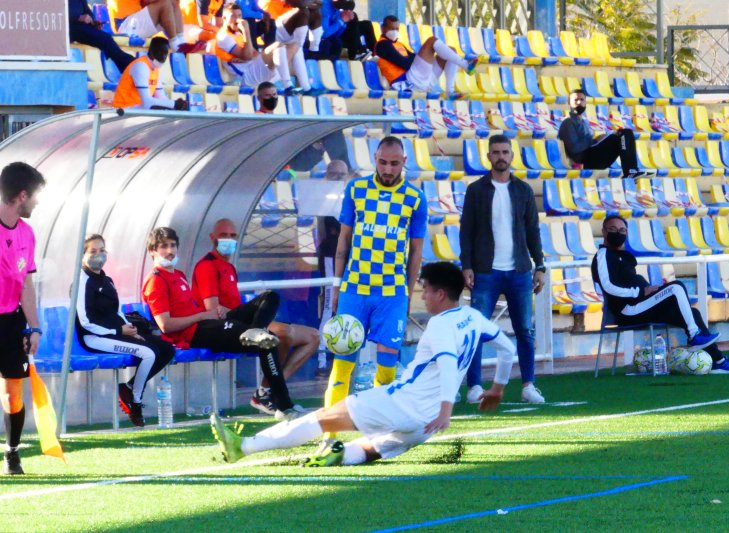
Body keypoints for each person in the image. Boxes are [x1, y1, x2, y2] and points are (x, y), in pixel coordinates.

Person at [211, 261, 514, 466]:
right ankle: (337, 458)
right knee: (373, 448)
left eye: (425, 290)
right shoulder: (473, 318)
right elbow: (506, 349)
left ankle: (244, 447)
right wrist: (497, 388)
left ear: (441, 294)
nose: (423, 296)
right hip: (425, 426)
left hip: (407, 405)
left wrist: (447, 411)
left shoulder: (439, 326)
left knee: (323, 418)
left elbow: (448, 365)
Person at [321, 136, 427, 442]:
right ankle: (330, 433)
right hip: (354, 289)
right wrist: (338, 285)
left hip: (391, 293)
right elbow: (343, 240)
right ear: (375, 159)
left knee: (387, 368)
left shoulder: (415, 199)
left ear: (404, 162)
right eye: (383, 162)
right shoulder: (356, 190)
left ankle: (377, 433)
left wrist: (407, 292)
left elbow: (415, 252)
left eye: (394, 163)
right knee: (343, 365)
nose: (388, 168)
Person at [142, 226, 305, 420]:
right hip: (194, 333)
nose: (169, 251)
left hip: (208, 324)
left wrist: (209, 314)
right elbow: (165, 325)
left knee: (270, 297)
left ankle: (255, 331)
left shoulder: (178, 275)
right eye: (163, 247)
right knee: (268, 340)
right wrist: (201, 316)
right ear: (152, 251)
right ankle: (284, 406)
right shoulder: (156, 280)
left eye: (172, 246)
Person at [591, 215, 729, 374]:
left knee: (693, 313)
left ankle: (718, 361)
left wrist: (647, 290)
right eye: (613, 229)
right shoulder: (603, 255)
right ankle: (694, 335)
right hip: (629, 310)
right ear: (603, 232)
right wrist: (640, 291)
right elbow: (608, 286)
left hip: (641, 305)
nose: (618, 233)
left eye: (622, 230)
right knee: (676, 287)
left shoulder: (621, 256)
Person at [191, 219, 319, 413]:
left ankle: (266, 390)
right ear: (213, 237)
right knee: (283, 333)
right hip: (227, 326)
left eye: (233, 236)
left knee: (313, 336)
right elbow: (213, 310)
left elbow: (231, 306)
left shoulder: (229, 267)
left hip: (245, 321)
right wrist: (229, 311)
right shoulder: (207, 266)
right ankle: (271, 389)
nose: (229, 240)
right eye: (224, 235)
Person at [459, 134, 546, 405]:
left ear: (511, 155)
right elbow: (466, 232)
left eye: (505, 152)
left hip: (519, 270)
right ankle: (474, 385)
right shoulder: (476, 190)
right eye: (495, 152)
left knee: (525, 330)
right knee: (476, 331)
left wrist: (539, 265)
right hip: (485, 271)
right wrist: (467, 265)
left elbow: (533, 231)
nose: (500, 156)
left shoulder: (523, 190)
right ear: (488, 156)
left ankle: (529, 385)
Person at [76, 234, 175, 427]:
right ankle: (135, 401)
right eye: (93, 251)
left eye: (102, 250)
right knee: (148, 353)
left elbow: (118, 311)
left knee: (166, 349)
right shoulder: (81, 281)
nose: (99, 255)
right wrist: (118, 331)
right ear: (83, 255)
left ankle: (129, 387)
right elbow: (86, 321)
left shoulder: (107, 280)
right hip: (95, 337)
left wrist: (130, 329)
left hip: (117, 332)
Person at [0, 162, 46, 475]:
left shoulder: (27, 233)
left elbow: (26, 284)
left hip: (11, 322)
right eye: (36, 196)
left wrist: (35, 327)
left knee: (12, 392)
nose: (37, 202)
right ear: (21, 195)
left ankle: (12, 452)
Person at [374, 15, 479, 100]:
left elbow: (411, 58)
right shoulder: (382, 45)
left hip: (421, 81)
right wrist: (425, 58)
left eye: (397, 29)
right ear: (383, 28)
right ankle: (465, 65)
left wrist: (423, 58)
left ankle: (450, 91)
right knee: (431, 41)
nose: (395, 31)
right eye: (391, 28)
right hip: (407, 82)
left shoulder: (399, 44)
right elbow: (405, 63)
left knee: (451, 51)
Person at [559, 89, 650, 179]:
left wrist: (599, 139)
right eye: (575, 100)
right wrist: (595, 140)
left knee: (625, 133)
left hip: (592, 156)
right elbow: (575, 148)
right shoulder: (568, 123)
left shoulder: (583, 122)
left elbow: (587, 142)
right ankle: (630, 171)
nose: (579, 102)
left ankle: (632, 171)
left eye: (582, 100)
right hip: (585, 161)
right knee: (623, 134)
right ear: (569, 102)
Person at [315, 159, 350, 376]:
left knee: (346, 305)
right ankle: (321, 357)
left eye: (342, 175)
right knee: (329, 304)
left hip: (348, 257)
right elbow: (325, 230)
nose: (338, 178)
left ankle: (342, 353)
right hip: (330, 256)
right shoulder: (324, 199)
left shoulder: (347, 198)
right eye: (335, 174)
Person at [210, 3, 289, 88]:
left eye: (239, 16)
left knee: (291, 47)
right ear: (224, 18)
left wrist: (254, 55)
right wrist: (246, 31)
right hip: (245, 76)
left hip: (252, 68)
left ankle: (279, 84)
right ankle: (287, 86)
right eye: (233, 16)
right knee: (277, 46)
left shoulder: (236, 33)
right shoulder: (224, 36)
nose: (237, 19)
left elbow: (253, 53)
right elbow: (248, 56)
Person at [112, 37, 190, 110]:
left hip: (137, 110)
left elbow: (161, 98)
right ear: (152, 51)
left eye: (165, 53)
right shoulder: (140, 66)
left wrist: (178, 105)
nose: (163, 57)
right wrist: (174, 104)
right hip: (123, 110)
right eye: (160, 52)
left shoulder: (156, 70)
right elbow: (147, 103)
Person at [258, 0, 318, 94]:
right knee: (303, 12)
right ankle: (294, 86)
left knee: (313, 13)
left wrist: (308, 3)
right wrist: (308, 3)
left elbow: (318, 3)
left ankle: (303, 87)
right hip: (271, 27)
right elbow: (298, 3)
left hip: (285, 26)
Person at [107, 0, 199, 53]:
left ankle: (181, 42)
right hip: (124, 25)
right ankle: (176, 44)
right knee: (165, 3)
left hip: (136, 21)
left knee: (173, 2)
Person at [68, 0, 135, 73]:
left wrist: (93, 22)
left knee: (106, 38)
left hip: (81, 26)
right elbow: (58, 10)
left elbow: (86, 10)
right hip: (68, 27)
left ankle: (127, 65)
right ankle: (129, 64)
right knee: (105, 39)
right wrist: (78, 17)